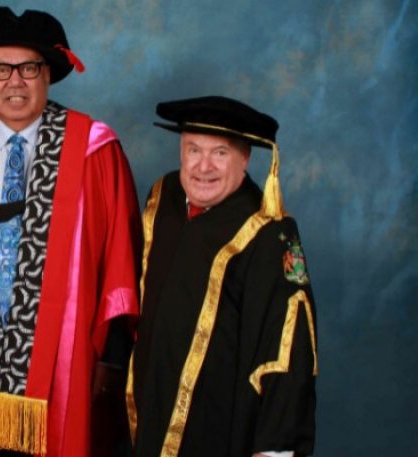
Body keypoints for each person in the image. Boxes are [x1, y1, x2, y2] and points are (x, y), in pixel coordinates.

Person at [0, 6, 141, 457]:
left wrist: (112, 358)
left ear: (48, 75)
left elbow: (122, 260)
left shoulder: (93, 150)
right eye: (1, 69)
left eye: (28, 68)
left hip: (68, 369)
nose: (14, 82)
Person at [128, 96, 318, 457]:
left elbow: (289, 348)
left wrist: (275, 448)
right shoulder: (163, 200)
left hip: (219, 422)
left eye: (220, 153)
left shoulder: (268, 234)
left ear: (245, 158)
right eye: (193, 149)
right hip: (150, 407)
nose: (203, 166)